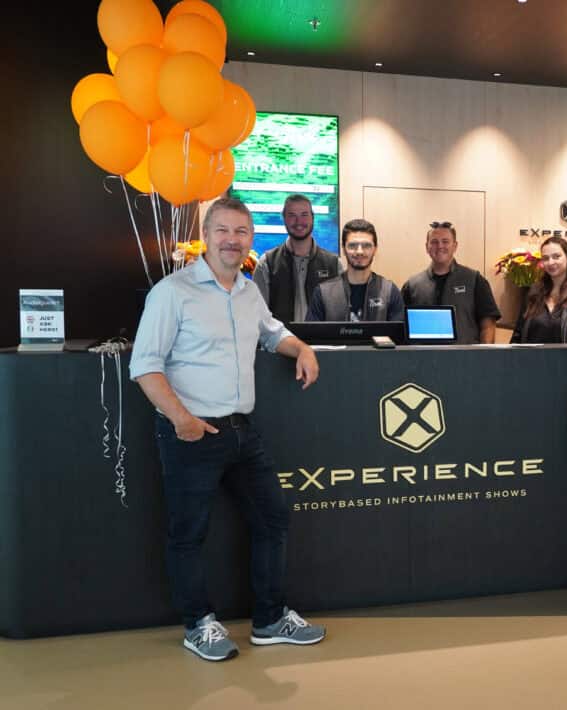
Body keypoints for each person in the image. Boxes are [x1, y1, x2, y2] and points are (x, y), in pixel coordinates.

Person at [129, 197, 326, 662]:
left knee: (273, 518)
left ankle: (270, 620)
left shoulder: (247, 290)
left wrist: (303, 349)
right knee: (189, 533)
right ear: (206, 234)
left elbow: (272, 332)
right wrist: (183, 421)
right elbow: (145, 366)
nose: (232, 240)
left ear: (250, 239)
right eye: (223, 230)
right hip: (192, 433)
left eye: (241, 232)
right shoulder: (172, 292)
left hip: (243, 431)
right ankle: (198, 624)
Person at [401, 221, 501, 344]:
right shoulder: (412, 286)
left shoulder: (474, 280)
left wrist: (484, 356)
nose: (440, 246)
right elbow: (403, 328)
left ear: (455, 246)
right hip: (423, 360)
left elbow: (488, 326)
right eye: (434, 242)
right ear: (427, 247)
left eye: (445, 241)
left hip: (465, 360)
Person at [252, 194, 342, 323]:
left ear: (313, 218)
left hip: (322, 342)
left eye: (304, 215)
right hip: (280, 343)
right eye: (292, 215)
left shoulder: (334, 264)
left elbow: (340, 314)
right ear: (284, 219)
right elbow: (258, 315)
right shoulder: (267, 263)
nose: (299, 221)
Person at [306, 218, 404, 322]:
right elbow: (312, 337)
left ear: (375, 249)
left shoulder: (389, 292)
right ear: (343, 249)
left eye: (366, 246)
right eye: (352, 245)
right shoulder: (322, 293)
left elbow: (398, 336)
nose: (359, 251)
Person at [510, 236, 567, 344]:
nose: (551, 262)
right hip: (532, 359)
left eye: (556, 256)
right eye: (545, 258)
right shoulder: (533, 293)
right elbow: (518, 334)